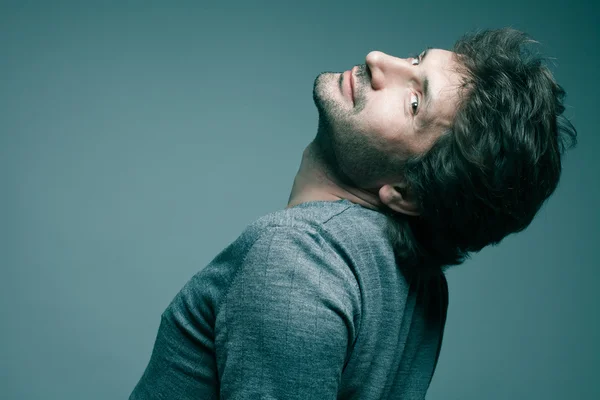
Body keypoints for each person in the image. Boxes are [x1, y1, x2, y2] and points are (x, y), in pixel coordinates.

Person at [129, 28, 577, 399]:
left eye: (415, 102)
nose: (378, 59)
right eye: (416, 59)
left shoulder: (294, 257)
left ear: (407, 193)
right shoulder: (419, 282)